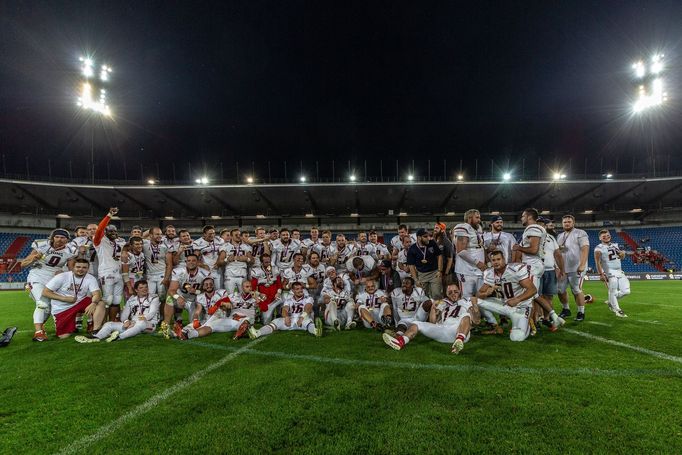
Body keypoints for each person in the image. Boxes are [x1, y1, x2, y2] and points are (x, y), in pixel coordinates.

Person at [382, 283, 479, 354]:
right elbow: (433, 323)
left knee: (466, 315)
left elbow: (476, 321)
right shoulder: (442, 303)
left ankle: (459, 341)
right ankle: (400, 341)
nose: (453, 294)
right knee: (416, 323)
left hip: (458, 329)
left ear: (460, 291)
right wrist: (433, 309)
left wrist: (474, 306)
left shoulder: (466, 301)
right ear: (446, 293)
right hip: (443, 329)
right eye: (450, 292)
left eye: (455, 291)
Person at [20, 228, 78, 341]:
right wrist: (33, 258)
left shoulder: (70, 250)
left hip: (55, 279)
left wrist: (64, 273)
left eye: (63, 238)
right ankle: (38, 332)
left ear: (67, 240)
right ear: (52, 237)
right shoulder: (41, 245)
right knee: (42, 303)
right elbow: (23, 264)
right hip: (37, 276)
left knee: (49, 308)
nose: (59, 239)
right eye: (57, 237)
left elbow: (72, 269)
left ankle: (41, 326)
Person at [512, 208, 564, 331]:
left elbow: (534, 250)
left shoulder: (532, 228)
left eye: (523, 216)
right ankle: (553, 317)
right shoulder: (536, 229)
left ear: (529, 217)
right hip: (536, 265)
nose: (521, 218)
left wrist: (518, 247)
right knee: (534, 295)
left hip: (532, 265)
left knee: (529, 296)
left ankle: (528, 326)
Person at [476, 250, 537, 342]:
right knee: (475, 301)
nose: (496, 262)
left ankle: (527, 323)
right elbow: (478, 294)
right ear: (491, 262)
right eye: (493, 260)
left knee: (516, 338)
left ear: (504, 259)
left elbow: (532, 289)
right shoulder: (489, 273)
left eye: (498, 259)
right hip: (505, 304)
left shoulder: (515, 270)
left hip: (521, 306)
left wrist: (517, 299)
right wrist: (486, 293)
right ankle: (494, 325)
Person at [75, 280, 159, 343]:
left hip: (149, 323)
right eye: (141, 288)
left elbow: (151, 313)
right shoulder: (131, 299)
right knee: (109, 324)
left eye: (146, 287)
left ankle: (118, 336)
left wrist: (134, 321)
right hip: (132, 324)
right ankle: (97, 338)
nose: (145, 289)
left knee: (141, 323)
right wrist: (126, 321)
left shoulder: (154, 297)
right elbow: (124, 315)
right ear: (136, 290)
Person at [41, 258, 102, 339]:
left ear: (88, 268)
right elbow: (45, 292)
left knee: (100, 303)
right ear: (73, 267)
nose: (81, 269)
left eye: (84, 267)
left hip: (79, 302)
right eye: (78, 267)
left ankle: (95, 331)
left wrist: (94, 303)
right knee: (63, 336)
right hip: (62, 308)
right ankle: (72, 325)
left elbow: (97, 293)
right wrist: (64, 298)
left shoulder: (90, 278)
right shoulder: (62, 277)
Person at [159, 253, 210, 338]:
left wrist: (196, 291)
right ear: (185, 262)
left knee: (196, 324)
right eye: (189, 261)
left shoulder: (205, 274)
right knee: (169, 298)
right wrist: (178, 297)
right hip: (181, 297)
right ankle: (166, 325)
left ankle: (179, 329)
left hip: (194, 301)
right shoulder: (178, 271)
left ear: (198, 262)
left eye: (194, 260)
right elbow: (171, 290)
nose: (191, 262)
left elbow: (208, 290)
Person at [248, 282, 322, 338]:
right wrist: (286, 317)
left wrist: (302, 316)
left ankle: (316, 331)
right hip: (291, 320)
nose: (300, 290)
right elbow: (285, 309)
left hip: (303, 319)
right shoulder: (288, 300)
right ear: (293, 290)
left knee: (308, 322)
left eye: (301, 288)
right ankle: (257, 333)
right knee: (275, 322)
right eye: (297, 289)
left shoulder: (308, 298)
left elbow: (308, 307)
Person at [92, 207, 127, 324]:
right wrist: (109, 215)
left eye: (115, 231)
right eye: (110, 231)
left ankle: (111, 323)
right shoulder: (100, 241)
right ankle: (100, 323)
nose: (114, 233)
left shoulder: (120, 242)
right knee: (108, 299)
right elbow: (99, 230)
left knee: (117, 300)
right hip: (106, 272)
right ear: (105, 233)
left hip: (119, 273)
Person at [556, 214, 592, 321]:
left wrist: (582, 264)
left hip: (576, 267)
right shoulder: (560, 236)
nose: (567, 223)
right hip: (563, 268)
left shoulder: (580, 233)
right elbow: (559, 252)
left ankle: (581, 312)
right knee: (560, 290)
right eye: (565, 222)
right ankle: (566, 309)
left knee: (576, 289)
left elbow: (585, 248)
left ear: (573, 222)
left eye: (569, 222)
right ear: (562, 224)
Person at [594, 230, 629, 318]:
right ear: (600, 238)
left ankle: (611, 301)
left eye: (607, 235)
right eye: (603, 236)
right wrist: (601, 274)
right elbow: (597, 262)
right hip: (609, 271)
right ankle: (617, 310)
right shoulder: (598, 248)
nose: (606, 237)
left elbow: (621, 257)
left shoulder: (615, 245)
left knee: (626, 291)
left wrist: (623, 254)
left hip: (619, 270)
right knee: (613, 291)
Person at [406, 228, 443, 299]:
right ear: (419, 237)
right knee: (422, 297)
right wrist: (416, 279)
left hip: (434, 273)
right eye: (425, 237)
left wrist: (439, 270)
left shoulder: (432, 243)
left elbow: (439, 255)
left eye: (428, 236)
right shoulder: (412, 249)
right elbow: (411, 266)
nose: (428, 238)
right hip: (422, 275)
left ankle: (438, 309)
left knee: (437, 295)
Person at [250, 252, 283, 324]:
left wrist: (278, 292)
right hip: (264, 299)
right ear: (261, 262)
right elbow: (252, 289)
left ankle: (279, 315)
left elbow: (279, 284)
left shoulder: (275, 269)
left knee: (285, 299)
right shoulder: (256, 271)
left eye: (269, 261)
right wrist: (259, 294)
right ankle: (258, 315)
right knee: (266, 322)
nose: (268, 264)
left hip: (275, 297)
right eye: (266, 262)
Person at [218, 228, 253, 294]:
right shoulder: (225, 246)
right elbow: (219, 262)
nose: (238, 236)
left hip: (242, 275)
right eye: (236, 235)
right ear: (231, 236)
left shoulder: (245, 246)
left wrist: (247, 259)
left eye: (239, 235)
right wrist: (227, 259)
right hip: (230, 276)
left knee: (244, 297)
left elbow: (252, 261)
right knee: (230, 297)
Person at [143, 227, 172, 300]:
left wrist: (166, 278)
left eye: (161, 234)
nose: (160, 236)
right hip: (150, 275)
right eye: (157, 234)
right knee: (150, 298)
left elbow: (169, 264)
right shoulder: (144, 244)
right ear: (151, 235)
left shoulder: (165, 246)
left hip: (162, 274)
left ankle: (162, 312)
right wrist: (149, 229)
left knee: (162, 298)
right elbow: (135, 239)